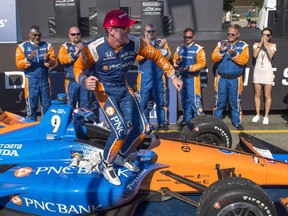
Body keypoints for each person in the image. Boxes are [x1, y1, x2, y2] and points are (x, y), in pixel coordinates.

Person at [73, 9, 182, 185]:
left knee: (143, 129)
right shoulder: (94, 49)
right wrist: (84, 81)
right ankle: (106, 165)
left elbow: (156, 55)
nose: (130, 32)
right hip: (104, 91)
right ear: (111, 30)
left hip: (123, 88)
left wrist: (172, 75)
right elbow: (77, 69)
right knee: (120, 130)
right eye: (126, 28)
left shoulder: (135, 43)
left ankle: (120, 156)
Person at [211, 24, 249, 131]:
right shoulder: (221, 44)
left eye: (233, 34)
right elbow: (213, 58)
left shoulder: (243, 46)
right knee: (219, 101)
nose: (230, 36)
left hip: (235, 79)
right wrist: (221, 51)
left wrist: (234, 54)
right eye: (228, 34)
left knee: (235, 102)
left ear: (238, 34)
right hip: (222, 78)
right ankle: (216, 121)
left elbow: (244, 60)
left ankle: (237, 122)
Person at [15, 25, 56, 121]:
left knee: (47, 105)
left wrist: (48, 60)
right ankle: (31, 127)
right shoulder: (22, 47)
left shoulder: (47, 46)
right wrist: (29, 58)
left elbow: (54, 61)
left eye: (39, 35)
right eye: (35, 35)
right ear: (30, 35)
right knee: (32, 106)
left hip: (44, 79)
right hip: (31, 80)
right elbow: (19, 64)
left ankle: (46, 127)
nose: (37, 37)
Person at [136, 24, 171, 130]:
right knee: (143, 102)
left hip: (159, 76)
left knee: (161, 100)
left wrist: (161, 50)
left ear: (155, 32)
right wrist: (151, 50)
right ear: (145, 33)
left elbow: (168, 56)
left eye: (153, 31)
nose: (151, 33)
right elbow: (138, 57)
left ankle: (163, 122)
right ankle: (144, 123)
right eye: (149, 31)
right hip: (145, 77)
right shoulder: (141, 43)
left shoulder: (161, 43)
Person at [173, 28, 206, 126]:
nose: (187, 39)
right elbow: (175, 62)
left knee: (195, 101)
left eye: (189, 37)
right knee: (184, 100)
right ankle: (187, 119)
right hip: (182, 78)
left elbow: (202, 63)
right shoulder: (180, 48)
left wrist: (190, 68)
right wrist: (177, 63)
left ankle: (199, 121)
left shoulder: (199, 49)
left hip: (193, 78)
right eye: (185, 37)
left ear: (193, 37)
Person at [58, 26, 91, 109]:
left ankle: (84, 121)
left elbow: (92, 59)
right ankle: (72, 121)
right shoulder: (65, 47)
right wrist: (76, 53)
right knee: (70, 104)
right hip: (71, 81)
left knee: (86, 103)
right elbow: (62, 59)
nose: (76, 36)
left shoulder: (86, 45)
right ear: (69, 35)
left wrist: (84, 51)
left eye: (78, 34)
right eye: (73, 34)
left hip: (84, 80)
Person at [252, 27, 277, 125]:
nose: (265, 36)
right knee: (257, 94)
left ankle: (266, 115)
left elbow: (271, 55)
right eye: (264, 34)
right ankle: (257, 114)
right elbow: (254, 55)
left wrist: (266, 45)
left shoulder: (273, 45)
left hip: (267, 72)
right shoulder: (256, 44)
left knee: (267, 95)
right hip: (258, 72)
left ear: (270, 36)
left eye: (267, 35)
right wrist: (260, 44)